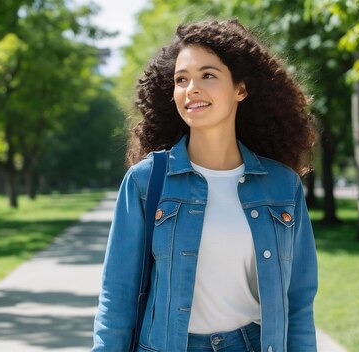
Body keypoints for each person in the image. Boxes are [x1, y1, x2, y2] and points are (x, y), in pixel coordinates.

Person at [93, 19, 318, 352]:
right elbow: (118, 294)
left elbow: (298, 301)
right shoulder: (146, 181)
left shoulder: (282, 186)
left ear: (240, 89)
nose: (191, 89)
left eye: (208, 75)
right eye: (181, 80)